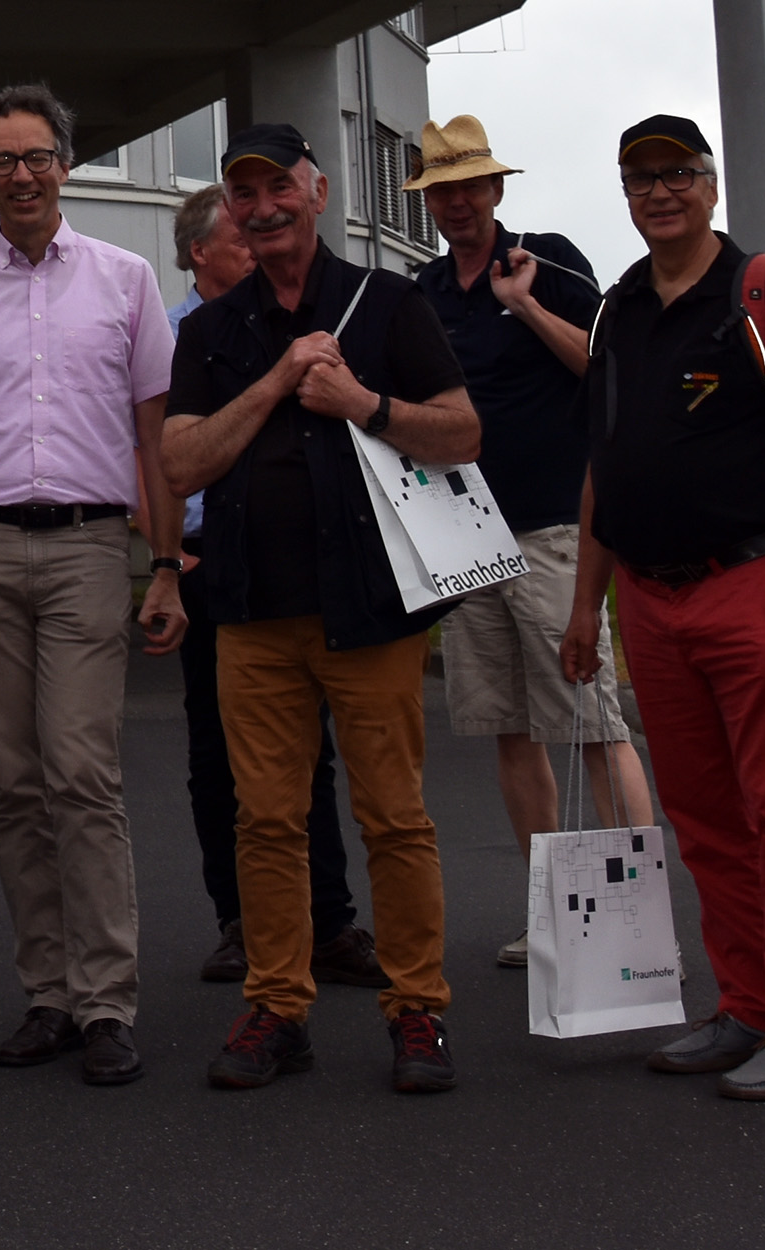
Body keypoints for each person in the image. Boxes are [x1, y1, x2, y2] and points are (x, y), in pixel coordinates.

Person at [163, 123, 479, 1097]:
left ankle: (418, 1010)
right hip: (252, 612)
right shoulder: (210, 333)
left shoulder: (387, 305)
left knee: (394, 817)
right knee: (265, 822)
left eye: (278, 189)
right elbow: (181, 463)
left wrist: (364, 405)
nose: (261, 209)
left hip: (372, 609)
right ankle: (278, 1007)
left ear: (319, 189)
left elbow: (463, 432)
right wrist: (275, 383)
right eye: (243, 195)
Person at [563, 114, 765, 1102]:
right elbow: (605, 469)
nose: (659, 192)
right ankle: (749, 1009)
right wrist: (585, 608)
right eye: (639, 178)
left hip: (752, 591)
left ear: (711, 184)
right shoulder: (618, 312)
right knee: (709, 821)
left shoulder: (761, 292)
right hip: (651, 601)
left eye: (677, 173)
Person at [0, 84, 185, 1087]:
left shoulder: (126, 280)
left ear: (66, 165)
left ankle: (109, 1003)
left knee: (82, 775)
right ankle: (48, 996)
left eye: (36, 157)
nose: (19, 175)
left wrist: (166, 565)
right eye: (0, 161)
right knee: (14, 789)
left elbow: (155, 435)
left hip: (87, 549)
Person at [406, 116, 654, 970]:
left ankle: (636, 920)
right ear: (429, 202)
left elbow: (605, 367)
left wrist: (525, 306)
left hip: (554, 526)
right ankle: (560, 916)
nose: (458, 201)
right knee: (511, 731)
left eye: (471, 184)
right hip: (465, 536)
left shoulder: (548, 259)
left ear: (497, 189)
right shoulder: (426, 291)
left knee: (591, 721)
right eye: (442, 189)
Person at [166, 188, 376, 991]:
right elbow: (147, 451)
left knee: (307, 753)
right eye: (237, 242)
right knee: (218, 755)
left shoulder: (288, 322)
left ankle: (330, 921)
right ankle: (239, 919)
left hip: (296, 561)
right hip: (205, 557)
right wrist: (163, 557)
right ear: (200, 255)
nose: (254, 251)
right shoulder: (181, 332)